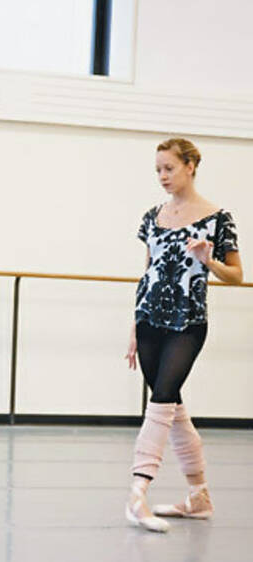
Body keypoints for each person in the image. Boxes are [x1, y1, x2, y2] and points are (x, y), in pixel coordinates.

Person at [124, 138, 243, 532]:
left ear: (191, 166)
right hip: (149, 321)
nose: (162, 176)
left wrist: (209, 260)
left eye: (169, 168)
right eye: (157, 169)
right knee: (172, 409)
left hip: (188, 322)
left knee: (160, 400)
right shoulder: (151, 216)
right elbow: (148, 273)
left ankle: (137, 492)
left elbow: (237, 275)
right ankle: (199, 496)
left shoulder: (218, 219)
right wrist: (132, 329)